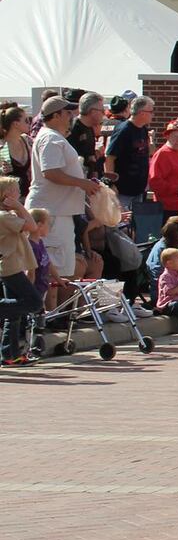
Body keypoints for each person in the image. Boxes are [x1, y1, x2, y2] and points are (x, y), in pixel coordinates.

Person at [25, 96, 98, 278]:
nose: (71, 116)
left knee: (62, 269)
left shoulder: (54, 137)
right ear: (56, 115)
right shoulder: (50, 138)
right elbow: (50, 172)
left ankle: (53, 307)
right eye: (67, 112)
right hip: (51, 212)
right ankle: (45, 307)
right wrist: (83, 183)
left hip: (58, 210)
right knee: (51, 270)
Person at [0, 176, 43, 366]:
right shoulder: (5, 216)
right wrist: (19, 206)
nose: (20, 194)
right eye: (16, 191)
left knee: (14, 315)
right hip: (10, 267)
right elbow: (33, 227)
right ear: (7, 195)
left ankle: (10, 354)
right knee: (34, 302)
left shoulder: (9, 215)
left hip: (14, 264)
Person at [104, 96, 158, 240]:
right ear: (141, 112)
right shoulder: (124, 130)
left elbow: (149, 152)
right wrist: (111, 183)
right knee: (122, 226)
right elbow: (110, 157)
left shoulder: (143, 129)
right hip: (123, 189)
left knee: (136, 226)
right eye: (151, 111)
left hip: (138, 189)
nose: (153, 114)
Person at [148, 120, 178, 219]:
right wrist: (177, 189)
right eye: (175, 137)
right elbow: (155, 182)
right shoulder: (162, 154)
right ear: (167, 136)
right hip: (169, 208)